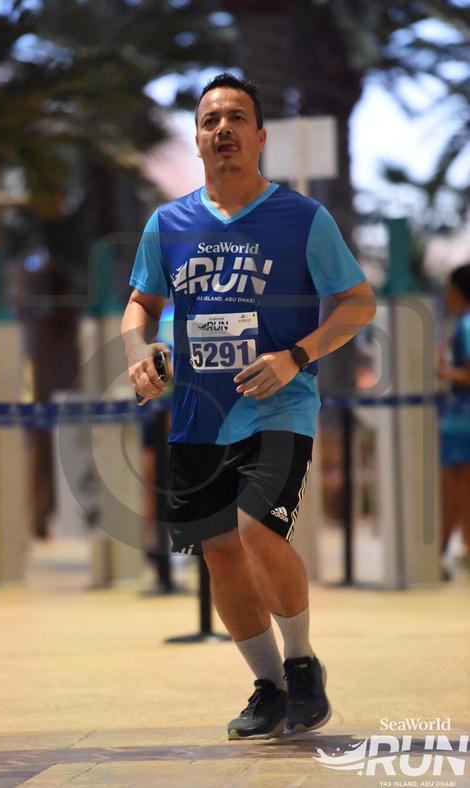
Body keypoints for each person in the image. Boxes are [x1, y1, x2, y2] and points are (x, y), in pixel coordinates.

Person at [121, 73, 376, 740]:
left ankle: (302, 665)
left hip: (279, 405)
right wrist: (138, 351)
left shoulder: (303, 219)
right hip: (197, 415)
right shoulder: (167, 224)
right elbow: (141, 302)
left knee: (259, 530)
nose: (223, 128)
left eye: (236, 117)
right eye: (210, 120)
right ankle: (267, 687)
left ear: (261, 137)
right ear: (198, 140)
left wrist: (297, 355)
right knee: (220, 551)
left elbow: (358, 303)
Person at [436, 262, 470, 576]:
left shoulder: (466, 325)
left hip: (462, 420)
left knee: (453, 489)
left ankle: (439, 553)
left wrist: (442, 372)